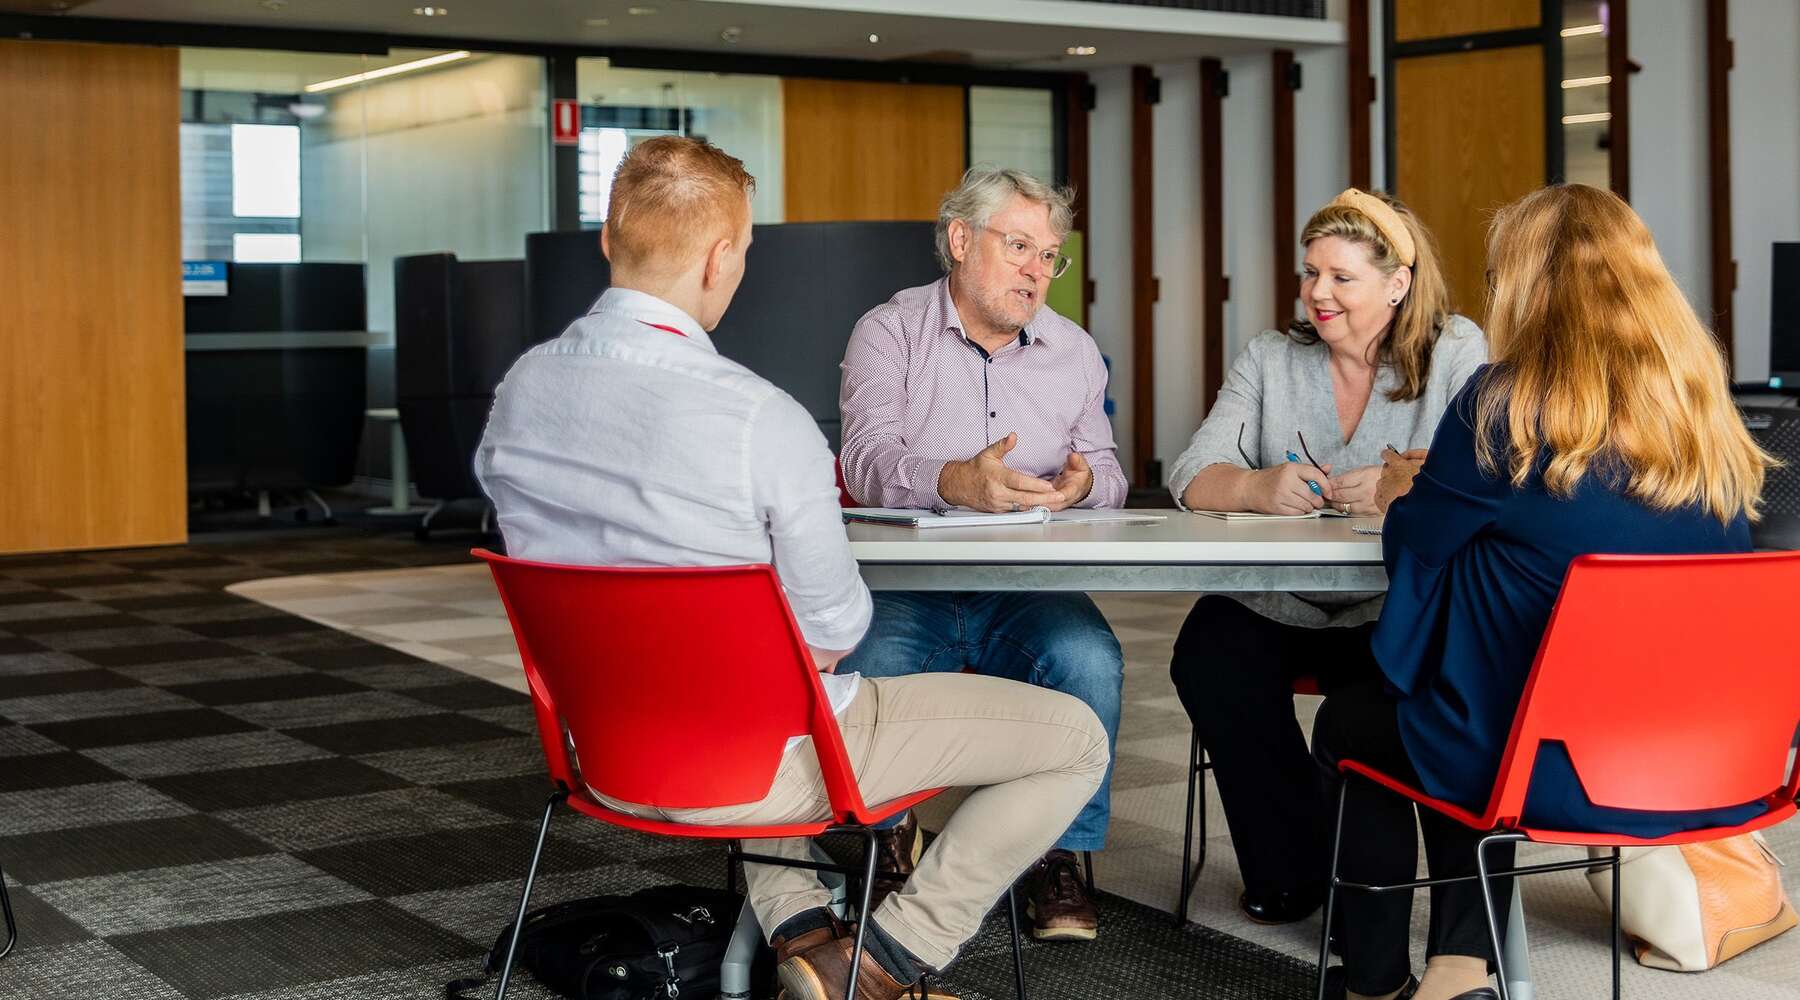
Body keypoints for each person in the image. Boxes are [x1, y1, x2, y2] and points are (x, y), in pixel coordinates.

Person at [475, 137, 1109, 1000]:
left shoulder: (518, 395)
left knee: (751, 688)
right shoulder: (760, 421)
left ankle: (803, 927)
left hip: (603, 750)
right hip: (741, 769)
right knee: (1076, 739)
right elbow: (838, 629)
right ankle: (884, 960)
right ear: (722, 255)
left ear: (608, 242)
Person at [1312, 183, 1771, 1000]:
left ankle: (1375, 983)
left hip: (1555, 769)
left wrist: (1401, 498)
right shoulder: (1704, 414)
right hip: (1710, 761)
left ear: (1522, 290)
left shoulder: (1503, 406)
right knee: (1466, 673)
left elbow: (1417, 546)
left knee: (1368, 712)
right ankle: (1460, 963)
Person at [1164, 189, 1486, 925]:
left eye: (1341, 278)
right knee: (1207, 657)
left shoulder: (1457, 351)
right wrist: (1255, 484)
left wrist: (1402, 484)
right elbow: (1191, 472)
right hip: (1279, 596)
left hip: (1394, 603)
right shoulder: (1272, 358)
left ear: (1397, 285)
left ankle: (1364, 884)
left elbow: (1485, 471)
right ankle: (1296, 867)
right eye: (1311, 274)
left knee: (1379, 703)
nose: (1317, 294)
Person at [836, 165, 1128, 941]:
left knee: (1089, 658)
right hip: (909, 584)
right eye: (1020, 246)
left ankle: (1053, 855)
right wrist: (952, 481)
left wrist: (1079, 488)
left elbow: (1110, 473)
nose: (1038, 271)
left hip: (1023, 584)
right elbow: (864, 462)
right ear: (961, 241)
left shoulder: (1074, 351)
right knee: (867, 664)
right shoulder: (888, 331)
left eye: (1050, 255)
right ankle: (885, 832)